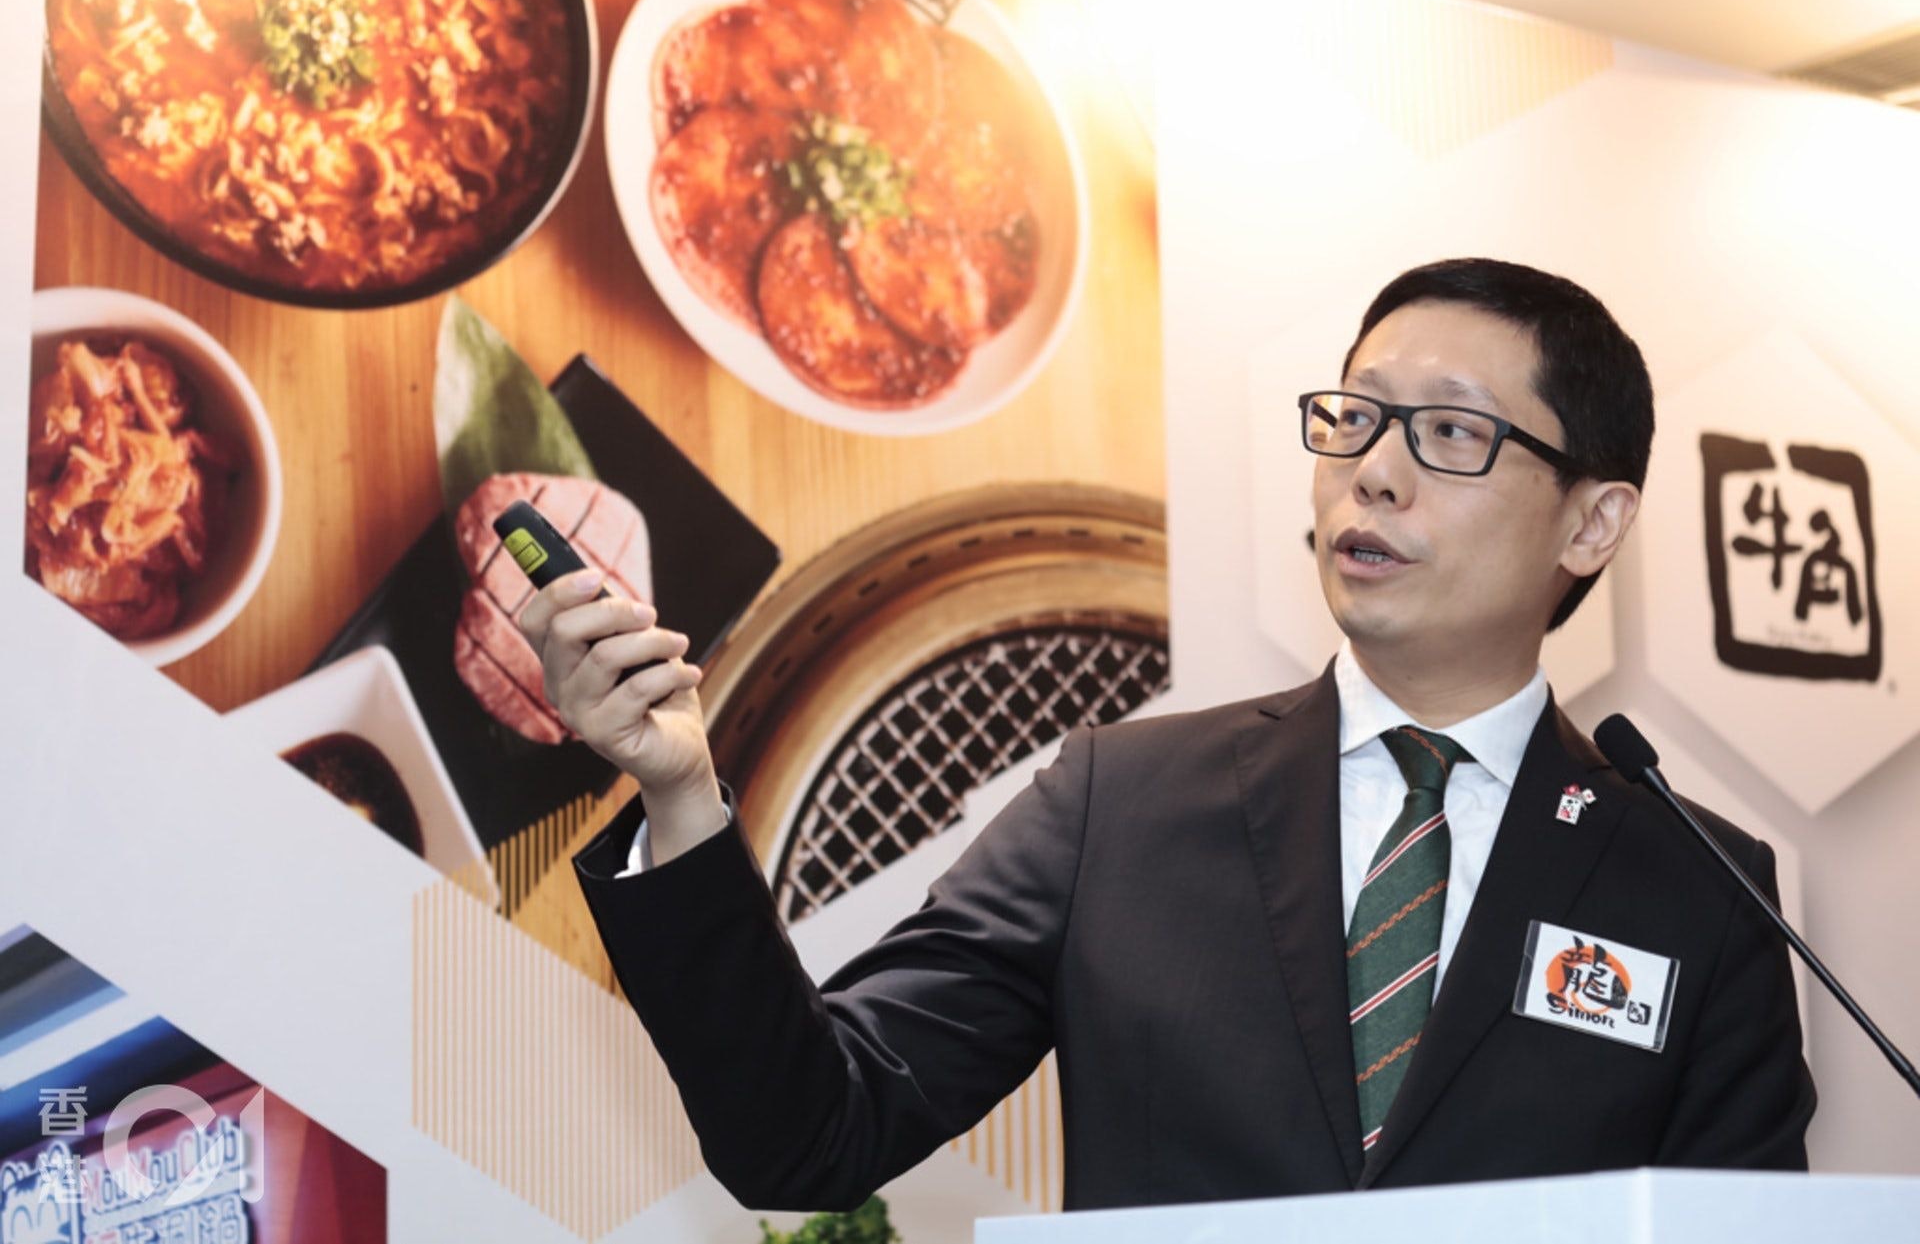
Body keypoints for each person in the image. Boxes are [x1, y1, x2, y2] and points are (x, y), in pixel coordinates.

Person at [522, 259, 1815, 1212]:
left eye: (1451, 432)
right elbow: (809, 1133)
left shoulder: (1702, 891)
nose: (1375, 470)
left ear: (1592, 523)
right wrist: (681, 796)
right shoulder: (1123, 804)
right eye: (1356, 417)